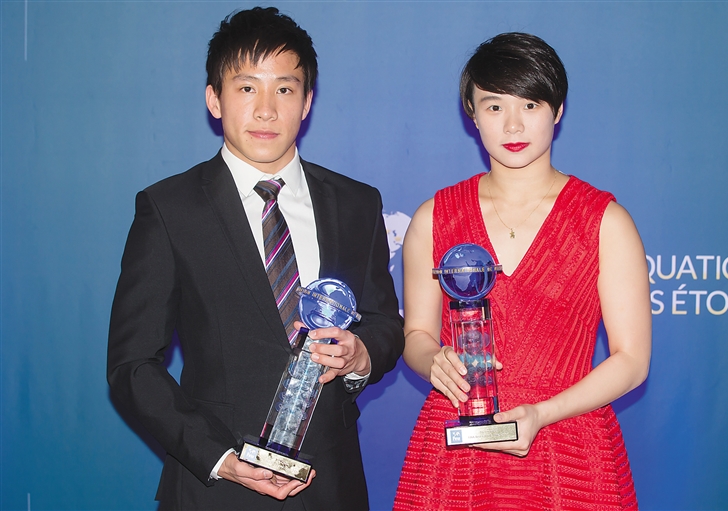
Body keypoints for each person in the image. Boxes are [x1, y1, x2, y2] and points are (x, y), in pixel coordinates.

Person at [107, 7, 404, 510]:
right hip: (215, 489)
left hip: (330, 485)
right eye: (247, 88)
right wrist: (220, 457)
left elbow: (384, 323)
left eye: (284, 89)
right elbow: (132, 364)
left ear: (307, 102)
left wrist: (360, 355)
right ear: (214, 99)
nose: (266, 110)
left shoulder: (356, 203)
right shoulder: (170, 208)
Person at [393, 33, 651, 510]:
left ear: (557, 110)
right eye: (494, 107)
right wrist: (435, 362)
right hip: (459, 445)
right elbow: (416, 336)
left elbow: (632, 360)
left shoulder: (604, 222)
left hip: (569, 446)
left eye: (530, 105)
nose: (513, 124)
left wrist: (542, 413)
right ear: (472, 115)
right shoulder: (434, 218)